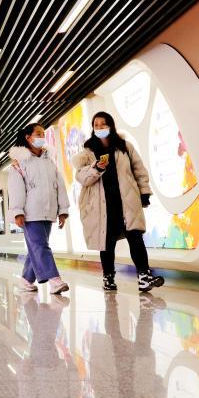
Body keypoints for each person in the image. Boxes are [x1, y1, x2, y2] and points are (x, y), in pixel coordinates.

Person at [72, 111, 165, 293]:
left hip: (127, 201)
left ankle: (144, 277)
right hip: (102, 205)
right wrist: (96, 168)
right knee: (106, 242)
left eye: (103, 124)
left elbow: (139, 169)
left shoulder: (124, 147)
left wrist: (144, 192)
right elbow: (82, 178)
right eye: (96, 125)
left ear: (111, 126)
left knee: (136, 237)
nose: (99, 127)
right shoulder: (88, 153)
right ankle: (108, 278)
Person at [8, 123, 70, 294]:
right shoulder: (18, 163)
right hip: (30, 214)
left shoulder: (50, 161)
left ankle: (26, 280)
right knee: (41, 246)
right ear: (28, 137)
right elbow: (15, 189)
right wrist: (17, 211)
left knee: (37, 247)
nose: (42, 137)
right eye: (38, 134)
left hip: (48, 211)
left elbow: (60, 186)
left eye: (43, 134)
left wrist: (63, 210)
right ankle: (55, 280)